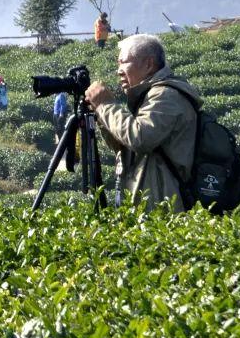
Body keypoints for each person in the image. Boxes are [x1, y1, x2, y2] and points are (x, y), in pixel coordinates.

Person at [85, 34, 201, 212]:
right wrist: (101, 113)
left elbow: (140, 137)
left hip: (162, 208)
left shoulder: (166, 95)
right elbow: (123, 146)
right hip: (143, 200)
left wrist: (106, 105)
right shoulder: (146, 96)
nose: (119, 70)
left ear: (148, 64)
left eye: (124, 62)